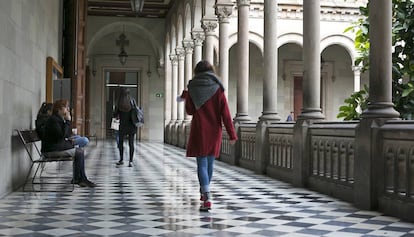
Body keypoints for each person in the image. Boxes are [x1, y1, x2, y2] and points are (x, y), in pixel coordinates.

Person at [180, 60, 238, 211]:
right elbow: (225, 113)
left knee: (202, 164)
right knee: (210, 163)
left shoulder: (192, 88)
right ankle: (205, 192)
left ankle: (206, 194)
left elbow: (190, 111)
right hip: (214, 131)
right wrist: (232, 134)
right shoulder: (218, 88)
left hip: (199, 130)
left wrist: (187, 98)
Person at [41, 99, 96, 188]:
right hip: (51, 150)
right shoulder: (54, 120)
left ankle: (79, 178)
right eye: (65, 107)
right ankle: (80, 179)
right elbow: (62, 136)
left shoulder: (57, 119)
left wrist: (66, 122)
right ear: (59, 110)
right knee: (79, 152)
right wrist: (68, 121)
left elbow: (65, 135)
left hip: (55, 147)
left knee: (79, 151)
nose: (67, 109)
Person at [114, 87, 136, 167]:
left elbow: (115, 115)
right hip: (132, 126)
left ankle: (121, 159)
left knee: (120, 143)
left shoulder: (119, 103)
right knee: (131, 143)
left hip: (123, 126)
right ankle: (131, 161)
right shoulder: (132, 101)